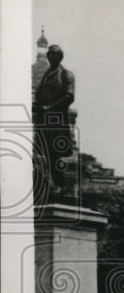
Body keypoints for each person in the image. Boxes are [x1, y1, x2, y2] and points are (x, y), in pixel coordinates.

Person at [32, 44, 76, 197]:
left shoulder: (66, 74)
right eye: (49, 54)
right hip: (43, 121)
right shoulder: (45, 75)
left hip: (56, 120)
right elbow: (38, 96)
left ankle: (60, 185)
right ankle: (50, 184)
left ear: (60, 56)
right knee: (41, 152)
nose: (51, 56)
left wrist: (49, 107)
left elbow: (69, 96)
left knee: (55, 153)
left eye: (55, 54)